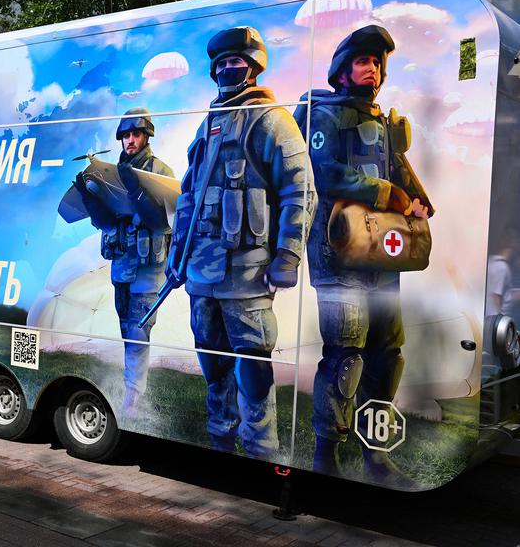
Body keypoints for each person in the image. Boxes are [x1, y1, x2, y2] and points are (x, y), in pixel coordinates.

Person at [167, 26, 314, 456]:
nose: (228, 69)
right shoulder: (209, 125)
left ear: (253, 69)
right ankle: (221, 436)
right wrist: (177, 257)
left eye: (237, 62)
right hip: (202, 273)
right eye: (222, 64)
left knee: (251, 359)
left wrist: (287, 254)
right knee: (211, 358)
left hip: (248, 272)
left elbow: (300, 189)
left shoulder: (271, 120)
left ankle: (260, 444)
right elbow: (189, 197)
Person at [296, 25, 433, 482]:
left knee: (387, 354)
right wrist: (386, 193)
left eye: (376, 62)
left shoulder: (384, 120)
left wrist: (416, 198)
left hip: (382, 257)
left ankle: (375, 454)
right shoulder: (324, 114)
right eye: (361, 60)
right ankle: (326, 457)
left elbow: (400, 168)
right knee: (345, 357)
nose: (370, 68)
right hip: (337, 255)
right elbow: (324, 170)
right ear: (342, 68)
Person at [73, 108, 174, 415]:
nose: (130, 141)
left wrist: (137, 191)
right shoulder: (112, 172)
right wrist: (90, 197)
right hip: (122, 267)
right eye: (126, 136)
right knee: (126, 328)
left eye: (136, 134)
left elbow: (166, 219)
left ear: (147, 136)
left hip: (148, 268)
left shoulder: (160, 172)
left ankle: (134, 397)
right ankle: (132, 389)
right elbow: (105, 222)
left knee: (139, 330)